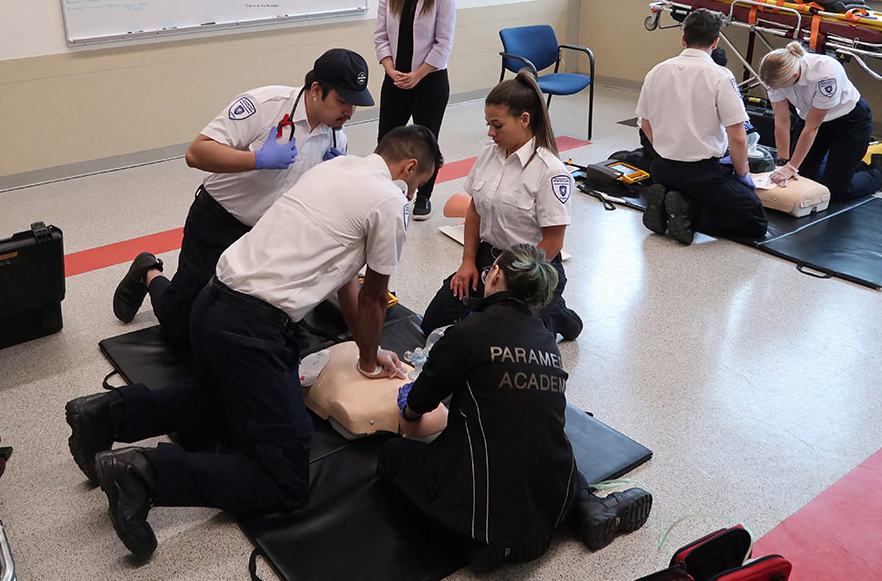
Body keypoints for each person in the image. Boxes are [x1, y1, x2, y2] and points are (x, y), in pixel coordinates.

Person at [66, 125, 443, 559]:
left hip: (213, 304)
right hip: (251, 328)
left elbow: (346, 286)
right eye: (416, 184)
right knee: (285, 479)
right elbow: (375, 296)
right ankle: (144, 474)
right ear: (409, 168)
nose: (413, 194)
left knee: (219, 404)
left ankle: (104, 416)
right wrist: (367, 363)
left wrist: (369, 347)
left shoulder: (337, 168)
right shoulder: (389, 201)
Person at [381, 244, 653, 565]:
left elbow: (421, 402)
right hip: (558, 491)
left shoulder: (469, 331)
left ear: (494, 273)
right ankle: (585, 507)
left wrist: (408, 410)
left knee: (392, 456)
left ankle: (489, 540)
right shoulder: (546, 340)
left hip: (486, 505)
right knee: (533, 432)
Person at [110, 48, 373, 349]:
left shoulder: (337, 135)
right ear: (316, 90)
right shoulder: (265, 106)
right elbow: (196, 153)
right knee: (180, 326)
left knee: (258, 322)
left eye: (355, 103)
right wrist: (258, 159)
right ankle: (148, 272)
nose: (350, 112)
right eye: (343, 101)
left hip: (269, 235)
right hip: (219, 220)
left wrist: (331, 176)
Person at [420, 69, 582, 341]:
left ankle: (557, 314)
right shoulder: (489, 153)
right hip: (489, 260)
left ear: (524, 119)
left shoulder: (551, 171)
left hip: (531, 269)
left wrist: (510, 279)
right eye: (488, 124)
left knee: (506, 341)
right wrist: (468, 262)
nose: (490, 132)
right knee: (433, 323)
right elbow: (474, 210)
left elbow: (553, 241)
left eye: (497, 125)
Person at [637, 8, 768, 245]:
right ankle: (690, 210)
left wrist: (669, 150)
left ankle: (671, 203)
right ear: (715, 42)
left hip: (662, 168)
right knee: (755, 220)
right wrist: (743, 174)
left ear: (683, 38)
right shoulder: (720, 76)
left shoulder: (656, 71)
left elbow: (645, 125)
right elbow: (737, 137)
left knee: (695, 188)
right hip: (703, 173)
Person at [374, 0, 457, 220]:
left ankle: (423, 196)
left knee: (427, 140)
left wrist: (417, 75)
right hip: (395, 80)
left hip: (430, 81)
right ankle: (383, 189)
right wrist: (390, 69)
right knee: (386, 137)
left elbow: (443, 43)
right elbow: (381, 36)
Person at [759, 41, 882, 199]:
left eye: (781, 86)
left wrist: (792, 167)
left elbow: (812, 128)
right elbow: (782, 121)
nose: (776, 90)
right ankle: (852, 165)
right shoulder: (773, 77)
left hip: (849, 122)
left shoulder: (825, 73)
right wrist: (783, 162)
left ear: (795, 75)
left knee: (837, 190)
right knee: (802, 179)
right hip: (810, 119)